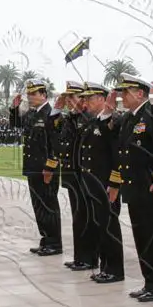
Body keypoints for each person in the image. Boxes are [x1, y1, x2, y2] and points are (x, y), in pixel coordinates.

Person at [107, 73, 153, 302]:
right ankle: (149, 282)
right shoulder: (129, 119)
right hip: (133, 189)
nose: (121, 96)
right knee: (142, 237)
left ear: (140, 93)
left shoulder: (152, 116)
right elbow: (121, 154)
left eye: (125, 92)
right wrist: (115, 183)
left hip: (150, 189)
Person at [76, 82, 124, 283]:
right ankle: (106, 267)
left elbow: (117, 155)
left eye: (90, 98)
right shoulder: (94, 121)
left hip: (106, 184)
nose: (86, 102)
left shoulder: (113, 121)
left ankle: (114, 269)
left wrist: (114, 183)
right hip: (94, 184)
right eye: (85, 98)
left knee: (109, 226)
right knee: (101, 226)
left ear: (103, 99)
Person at [9, 79, 63, 256]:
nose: (31, 97)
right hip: (33, 167)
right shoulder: (32, 114)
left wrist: (50, 167)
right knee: (38, 205)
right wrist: (14, 109)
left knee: (49, 205)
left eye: (34, 94)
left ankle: (55, 243)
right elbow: (17, 124)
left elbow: (56, 144)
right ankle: (45, 239)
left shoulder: (51, 114)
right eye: (29, 94)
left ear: (44, 95)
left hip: (46, 169)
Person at [54, 82, 95, 271]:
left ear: (83, 99)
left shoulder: (87, 118)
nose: (70, 101)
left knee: (85, 218)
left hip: (83, 176)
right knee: (77, 217)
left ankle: (89, 258)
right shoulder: (70, 118)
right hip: (72, 175)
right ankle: (80, 257)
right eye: (68, 98)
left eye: (74, 97)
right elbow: (53, 133)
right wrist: (57, 109)